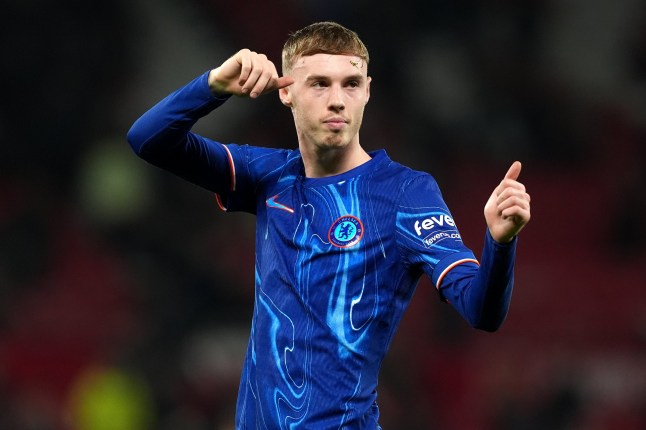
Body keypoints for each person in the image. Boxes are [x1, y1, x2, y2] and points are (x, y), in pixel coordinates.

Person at [127, 21, 531, 429]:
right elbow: (148, 138)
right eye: (319, 84)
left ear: (367, 91)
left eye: (350, 84)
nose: (337, 100)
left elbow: (482, 310)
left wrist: (500, 242)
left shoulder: (405, 192)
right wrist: (212, 85)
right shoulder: (269, 176)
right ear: (286, 92)